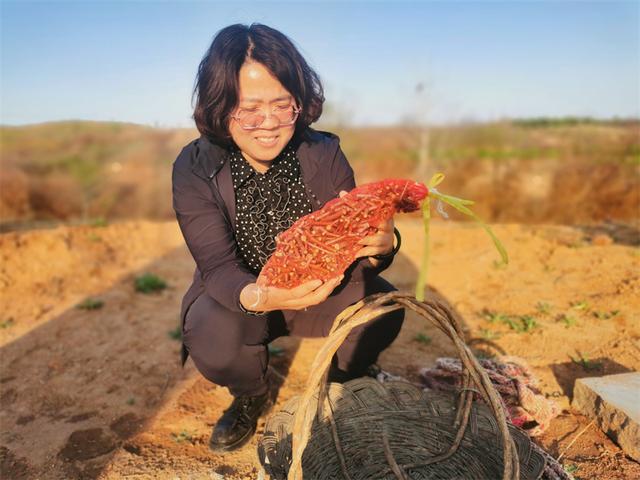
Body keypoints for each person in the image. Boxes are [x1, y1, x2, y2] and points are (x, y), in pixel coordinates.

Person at [171, 23, 405, 452]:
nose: (269, 123)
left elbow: (349, 237)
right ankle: (250, 395)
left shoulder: (323, 150)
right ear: (220, 106)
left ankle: (343, 381)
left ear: (299, 102)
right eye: (249, 109)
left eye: (283, 106)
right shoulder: (194, 167)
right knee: (212, 334)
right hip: (244, 300)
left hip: (320, 290)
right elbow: (218, 267)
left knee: (382, 310)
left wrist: (382, 248)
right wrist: (263, 297)